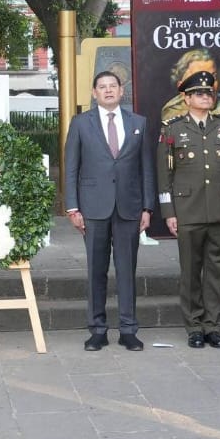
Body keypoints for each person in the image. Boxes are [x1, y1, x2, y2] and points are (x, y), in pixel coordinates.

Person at [63, 70, 155, 352]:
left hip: (129, 206)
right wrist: (72, 207)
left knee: (127, 270)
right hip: (93, 207)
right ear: (94, 93)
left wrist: (148, 207)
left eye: (112, 86)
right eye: (102, 87)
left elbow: (146, 169)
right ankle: (97, 330)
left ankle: (128, 329)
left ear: (121, 90)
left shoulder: (138, 122)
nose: (107, 91)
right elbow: (71, 168)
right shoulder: (80, 123)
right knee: (96, 270)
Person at [157, 69, 220, 349]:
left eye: (208, 93)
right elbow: (164, 175)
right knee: (191, 270)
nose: (205, 97)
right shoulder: (172, 129)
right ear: (186, 98)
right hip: (187, 210)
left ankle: (212, 326)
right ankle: (194, 326)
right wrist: (169, 212)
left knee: (217, 270)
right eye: (198, 93)